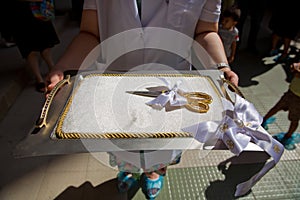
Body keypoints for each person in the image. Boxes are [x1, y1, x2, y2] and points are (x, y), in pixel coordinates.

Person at [46, 0, 239, 199]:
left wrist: (221, 67)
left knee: (161, 144)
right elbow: (90, 32)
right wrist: (64, 67)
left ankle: (153, 170)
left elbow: (205, 31)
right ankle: (128, 168)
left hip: (172, 87)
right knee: (122, 143)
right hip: (116, 86)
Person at [13, 0, 60, 93]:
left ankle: (53, 69)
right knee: (30, 49)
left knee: (45, 46)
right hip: (19, 12)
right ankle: (39, 78)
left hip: (37, 9)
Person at [262, 61, 300, 150]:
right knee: (277, 107)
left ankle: (288, 136)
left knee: (294, 119)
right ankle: (264, 119)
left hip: (298, 100)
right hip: (290, 93)